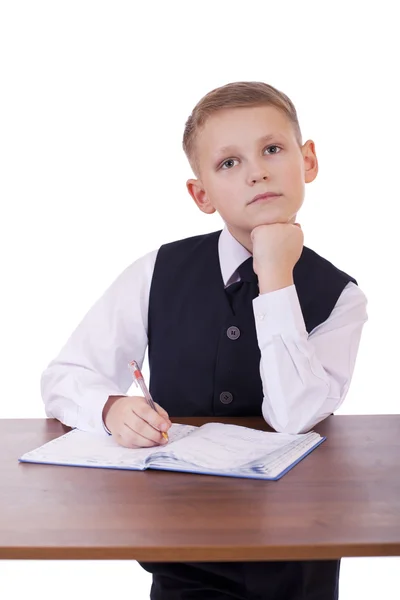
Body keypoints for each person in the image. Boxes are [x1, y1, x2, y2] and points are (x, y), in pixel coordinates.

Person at [41, 81, 368, 599]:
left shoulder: (340, 297)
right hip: (180, 547)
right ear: (201, 194)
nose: (257, 170)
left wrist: (276, 275)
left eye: (272, 150)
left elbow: (294, 415)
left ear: (307, 161)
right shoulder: (157, 271)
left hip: (296, 554)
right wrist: (109, 410)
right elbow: (64, 376)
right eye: (228, 163)